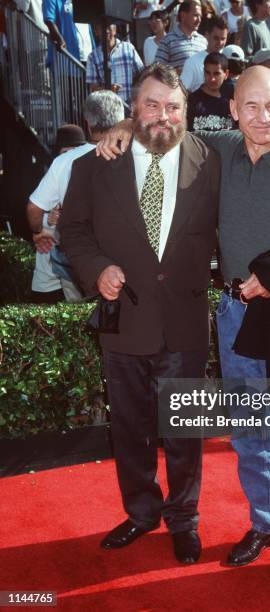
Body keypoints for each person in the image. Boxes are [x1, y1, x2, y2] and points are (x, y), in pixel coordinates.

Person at [95, 64, 270, 598]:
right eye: (251, 106)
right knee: (250, 435)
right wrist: (121, 127)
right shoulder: (219, 152)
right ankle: (265, 524)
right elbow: (162, 129)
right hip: (234, 316)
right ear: (231, 110)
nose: (264, 117)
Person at [59, 63, 220, 565]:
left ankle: (184, 518)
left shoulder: (213, 160)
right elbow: (74, 232)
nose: (163, 116)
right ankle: (142, 512)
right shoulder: (93, 165)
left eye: (173, 106)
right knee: (129, 427)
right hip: (123, 318)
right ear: (134, 107)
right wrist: (96, 268)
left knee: (184, 430)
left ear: (187, 111)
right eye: (151, 105)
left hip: (184, 320)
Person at [26, 92, 125, 303]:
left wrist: (38, 232)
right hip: (124, 262)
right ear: (121, 119)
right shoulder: (136, 155)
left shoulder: (64, 162)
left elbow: (33, 209)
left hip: (79, 263)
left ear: (87, 123)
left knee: (83, 326)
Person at [27, 123, 86, 303]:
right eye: (65, 152)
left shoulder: (90, 175)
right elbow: (33, 213)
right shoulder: (51, 177)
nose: (70, 156)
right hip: (50, 276)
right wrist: (49, 221)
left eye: (75, 151)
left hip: (78, 272)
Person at [86, 23, 143, 106]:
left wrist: (136, 96)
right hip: (107, 107)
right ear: (96, 31)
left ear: (115, 29)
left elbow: (141, 74)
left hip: (130, 106)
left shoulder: (129, 48)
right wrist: (108, 89)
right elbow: (93, 87)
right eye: (101, 26)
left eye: (109, 25)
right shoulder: (93, 56)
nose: (106, 30)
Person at [155, 0, 207, 72]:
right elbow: (157, 70)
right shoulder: (167, 40)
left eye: (200, 16)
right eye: (195, 15)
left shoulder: (204, 41)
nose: (199, 20)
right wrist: (175, 73)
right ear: (183, 15)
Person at [187, 52, 233, 130]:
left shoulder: (231, 100)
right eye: (208, 73)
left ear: (226, 74)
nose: (212, 79)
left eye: (216, 74)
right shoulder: (191, 101)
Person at [181, 16, 228, 93]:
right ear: (207, 35)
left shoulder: (228, 57)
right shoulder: (192, 62)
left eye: (223, 39)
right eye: (216, 38)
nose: (220, 43)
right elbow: (182, 91)